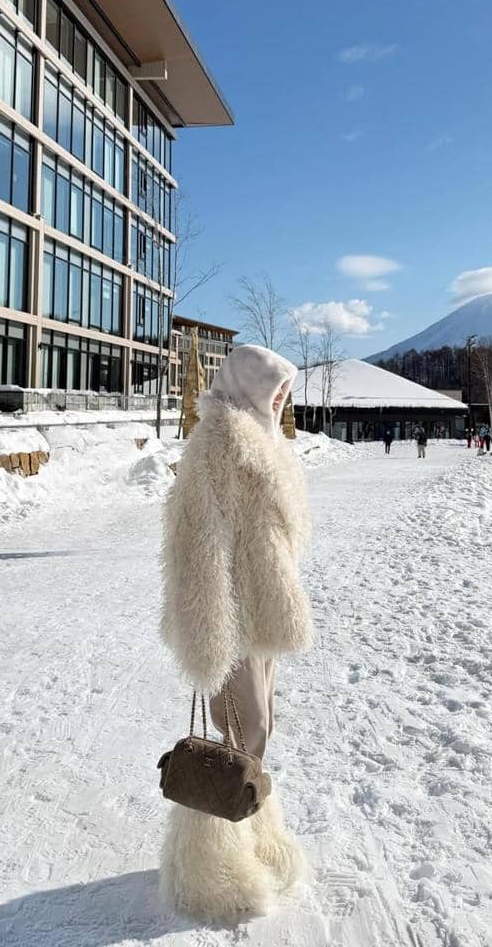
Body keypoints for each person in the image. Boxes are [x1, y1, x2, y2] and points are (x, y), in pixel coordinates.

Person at [159, 345, 313, 920]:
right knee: (239, 731)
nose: (280, 397)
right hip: (229, 616)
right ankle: (205, 869)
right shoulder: (219, 441)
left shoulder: (267, 441)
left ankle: (249, 835)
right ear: (246, 385)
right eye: (272, 386)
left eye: (284, 388)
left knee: (259, 729)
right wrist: (206, 632)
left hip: (263, 615)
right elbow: (195, 543)